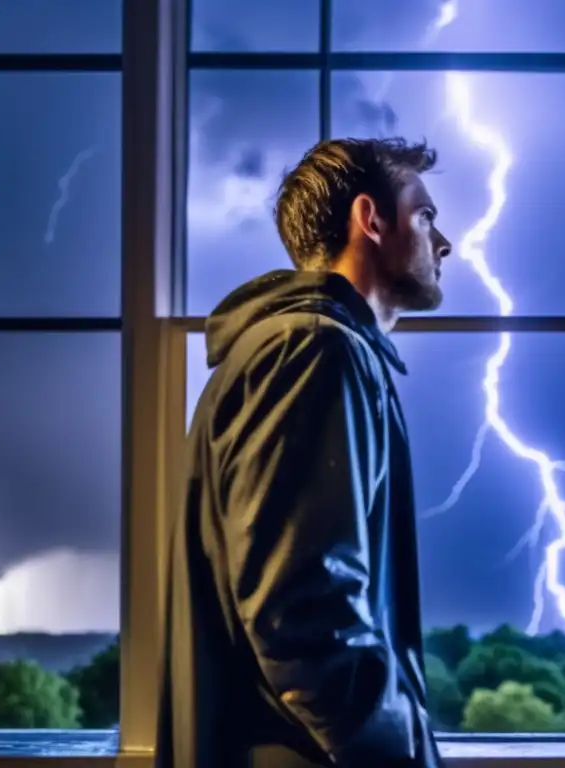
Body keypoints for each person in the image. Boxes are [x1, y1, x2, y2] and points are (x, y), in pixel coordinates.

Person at [156, 137, 452, 768]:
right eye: (425, 216)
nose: (444, 242)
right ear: (370, 219)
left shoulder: (309, 348)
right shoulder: (313, 351)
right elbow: (303, 610)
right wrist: (396, 755)